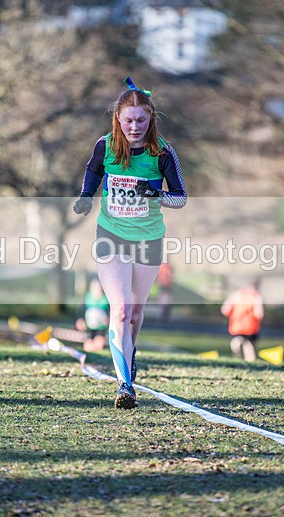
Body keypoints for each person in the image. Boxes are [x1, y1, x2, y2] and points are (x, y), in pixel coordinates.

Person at [72, 77, 187, 409]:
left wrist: (155, 193)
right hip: (111, 236)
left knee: (135, 313)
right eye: (128, 121)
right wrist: (85, 197)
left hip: (148, 239)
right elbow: (93, 172)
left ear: (151, 119)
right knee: (120, 310)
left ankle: (129, 353)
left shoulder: (162, 152)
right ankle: (125, 385)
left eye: (141, 120)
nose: (134, 127)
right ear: (117, 119)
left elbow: (181, 198)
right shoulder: (105, 145)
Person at [221, 278, 264, 362]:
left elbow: (225, 310)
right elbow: (259, 313)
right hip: (251, 327)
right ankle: (250, 362)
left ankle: (237, 346)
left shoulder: (235, 294)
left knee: (239, 340)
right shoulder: (256, 296)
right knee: (249, 347)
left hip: (236, 326)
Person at [75, 277, 110, 352]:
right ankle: (90, 343)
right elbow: (80, 311)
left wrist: (108, 319)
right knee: (88, 346)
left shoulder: (105, 299)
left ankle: (97, 343)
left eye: (99, 288)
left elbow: (110, 312)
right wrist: (80, 320)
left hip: (101, 328)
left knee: (99, 344)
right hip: (88, 328)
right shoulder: (87, 297)